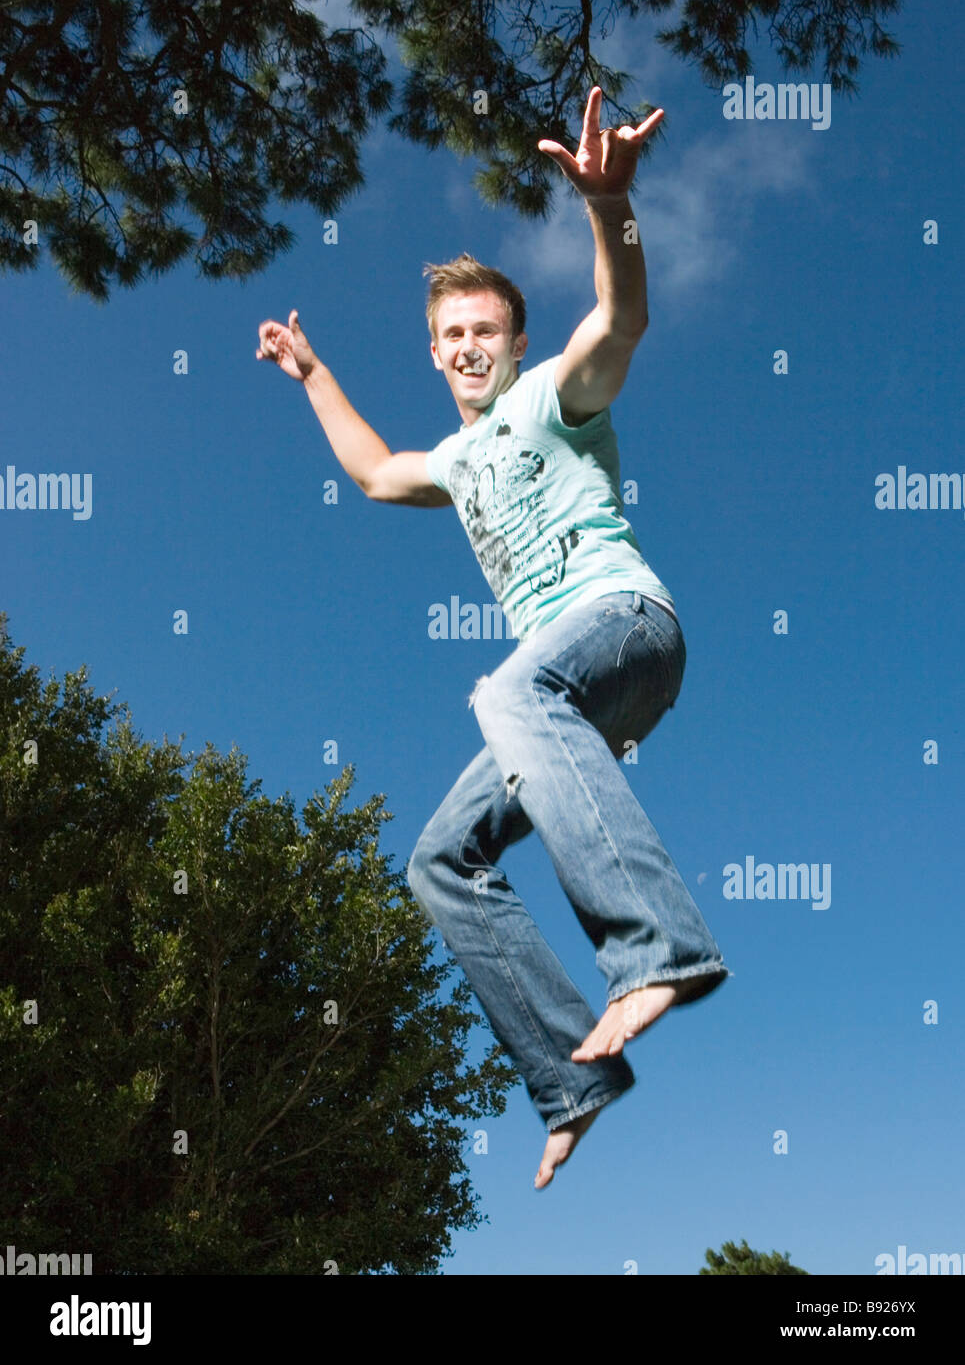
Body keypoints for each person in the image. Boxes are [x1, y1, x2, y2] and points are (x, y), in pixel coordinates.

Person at [256, 87, 730, 1190]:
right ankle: (569, 1080)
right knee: (438, 860)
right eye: (451, 337)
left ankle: (656, 952)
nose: (469, 347)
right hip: (566, 701)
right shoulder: (452, 460)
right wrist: (313, 372)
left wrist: (608, 208)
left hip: (623, 625)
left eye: (485, 331)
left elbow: (618, 324)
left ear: (514, 342)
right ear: (434, 355)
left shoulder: (554, 401)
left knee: (504, 691)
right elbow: (377, 473)